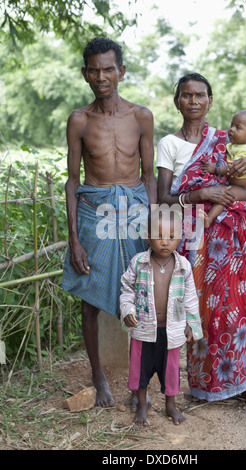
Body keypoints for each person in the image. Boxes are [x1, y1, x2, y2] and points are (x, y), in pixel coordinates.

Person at [157, 72, 246, 412]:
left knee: (242, 306)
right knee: (201, 311)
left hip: (233, 240)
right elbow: (162, 197)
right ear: (178, 101)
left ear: (210, 100)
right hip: (192, 237)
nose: (193, 101)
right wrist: (200, 193)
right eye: (186, 95)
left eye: (200, 95)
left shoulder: (227, 139)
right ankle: (206, 386)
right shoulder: (169, 145)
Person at [61, 37, 157, 408]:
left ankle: (140, 384)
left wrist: (152, 226)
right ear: (85, 74)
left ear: (121, 72)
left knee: (144, 294)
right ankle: (98, 376)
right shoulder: (79, 120)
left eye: (108, 69)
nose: (102, 77)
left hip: (134, 210)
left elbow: (149, 176)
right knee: (89, 298)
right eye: (94, 70)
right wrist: (74, 240)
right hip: (95, 211)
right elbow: (72, 180)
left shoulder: (141, 116)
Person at [120, 208, 203, 425]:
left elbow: (191, 297)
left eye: (171, 237)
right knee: (140, 369)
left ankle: (170, 405)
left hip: (172, 330)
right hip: (143, 329)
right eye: (158, 236)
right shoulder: (139, 262)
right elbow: (126, 288)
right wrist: (128, 311)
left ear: (179, 238)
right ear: (148, 237)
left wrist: (190, 324)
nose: (165, 242)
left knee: (171, 371)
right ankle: (141, 405)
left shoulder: (183, 266)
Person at [201, 109, 246, 227]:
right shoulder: (242, 144)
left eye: (238, 128)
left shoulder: (245, 150)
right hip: (239, 186)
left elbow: (232, 169)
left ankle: (209, 219)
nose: (231, 129)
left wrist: (215, 169)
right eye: (232, 125)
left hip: (242, 189)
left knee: (223, 197)